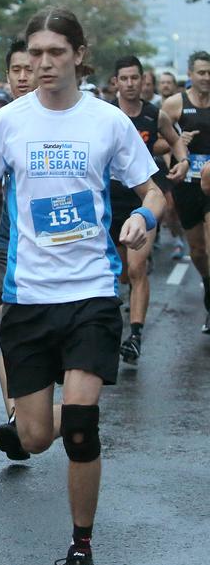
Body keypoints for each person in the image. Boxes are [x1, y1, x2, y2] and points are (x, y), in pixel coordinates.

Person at [0, 6, 164, 565]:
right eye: (36, 53)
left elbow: (152, 192)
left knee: (80, 423)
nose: (43, 63)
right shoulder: (8, 121)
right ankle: (44, 414)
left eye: (55, 52)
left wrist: (142, 220)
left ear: (79, 55)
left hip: (92, 294)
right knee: (36, 436)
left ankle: (81, 545)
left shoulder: (107, 122)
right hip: (27, 299)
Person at [110, 56, 188, 365]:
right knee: (120, 272)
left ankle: (136, 336)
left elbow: (176, 142)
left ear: (143, 81)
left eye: (135, 78)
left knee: (137, 268)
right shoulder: (104, 114)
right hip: (108, 201)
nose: (130, 84)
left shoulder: (155, 116)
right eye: (124, 78)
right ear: (116, 82)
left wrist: (182, 161)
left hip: (143, 199)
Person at [0, 38, 37, 461]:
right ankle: (16, 419)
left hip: (66, 245)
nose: (23, 77)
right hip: (12, 241)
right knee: (10, 329)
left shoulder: (72, 115)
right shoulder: (1, 121)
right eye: (15, 70)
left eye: (29, 68)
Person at [160, 50, 210, 333]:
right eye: (201, 72)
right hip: (188, 186)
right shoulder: (174, 104)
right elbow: (158, 141)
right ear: (190, 74)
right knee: (199, 251)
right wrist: (178, 142)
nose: (206, 77)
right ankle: (207, 283)